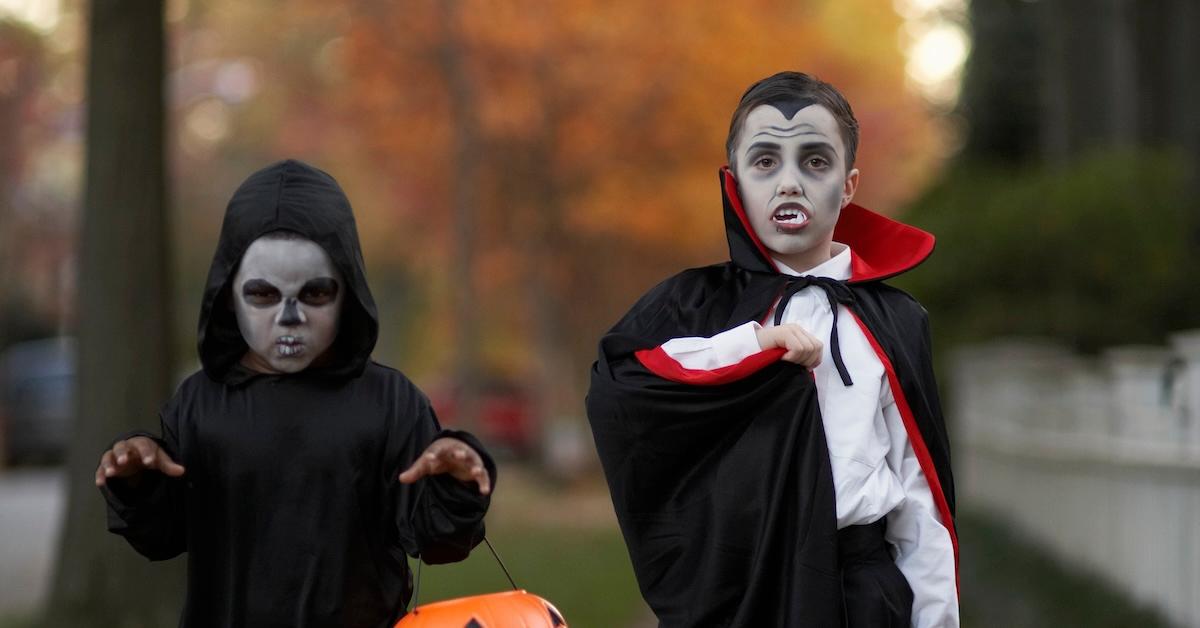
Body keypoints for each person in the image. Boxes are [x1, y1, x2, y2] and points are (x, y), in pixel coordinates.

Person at [586, 72, 958, 627]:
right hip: (744, 588)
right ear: (734, 181)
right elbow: (625, 383)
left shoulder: (895, 320)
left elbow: (919, 496)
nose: (789, 183)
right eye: (765, 162)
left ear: (849, 185)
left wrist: (935, 619)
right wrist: (755, 345)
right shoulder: (694, 304)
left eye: (815, 161)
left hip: (862, 592)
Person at [95, 159, 495, 628]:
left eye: (315, 294)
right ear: (228, 295)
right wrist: (138, 480)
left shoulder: (390, 403)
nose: (289, 317)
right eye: (263, 295)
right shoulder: (201, 404)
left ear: (348, 292)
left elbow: (437, 542)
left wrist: (455, 484)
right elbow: (162, 536)